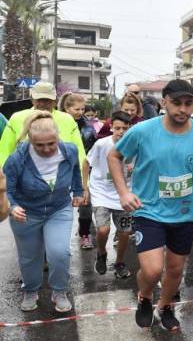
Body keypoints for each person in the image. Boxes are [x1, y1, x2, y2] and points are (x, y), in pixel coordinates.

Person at [108, 79, 193, 332]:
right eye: (176, 103)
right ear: (164, 102)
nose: (183, 109)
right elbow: (114, 155)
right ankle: (145, 296)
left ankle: (165, 306)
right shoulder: (143, 131)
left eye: (188, 104)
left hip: (184, 214)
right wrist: (123, 192)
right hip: (148, 210)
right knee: (152, 271)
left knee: (175, 270)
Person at [4, 112, 83, 312]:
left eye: (51, 143)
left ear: (58, 137)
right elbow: (8, 190)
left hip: (59, 208)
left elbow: (76, 168)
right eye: (39, 145)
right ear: (30, 141)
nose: (46, 149)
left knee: (59, 252)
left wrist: (78, 190)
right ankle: (30, 290)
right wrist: (13, 207)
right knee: (30, 256)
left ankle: (59, 291)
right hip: (27, 213)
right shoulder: (16, 160)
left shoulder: (69, 151)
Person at [84, 111, 135, 279]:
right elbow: (86, 162)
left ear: (130, 129)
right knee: (103, 229)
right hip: (101, 192)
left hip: (124, 194)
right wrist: (85, 187)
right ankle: (101, 253)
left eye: (125, 128)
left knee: (125, 232)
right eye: (118, 128)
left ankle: (120, 262)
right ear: (111, 127)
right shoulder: (101, 144)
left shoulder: (135, 146)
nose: (121, 132)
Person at [0, 81, 85, 167]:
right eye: (39, 100)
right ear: (32, 99)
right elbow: (4, 152)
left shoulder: (67, 120)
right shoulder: (17, 118)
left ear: (55, 101)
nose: (43, 104)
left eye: (48, 100)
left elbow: (79, 152)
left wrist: (83, 178)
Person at [60, 92, 96, 250]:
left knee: (85, 205)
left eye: (83, 109)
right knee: (60, 209)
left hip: (83, 169)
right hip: (60, 171)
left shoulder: (87, 126)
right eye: (77, 109)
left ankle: (85, 234)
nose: (80, 112)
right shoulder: (56, 122)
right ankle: (56, 242)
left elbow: (92, 149)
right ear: (66, 108)